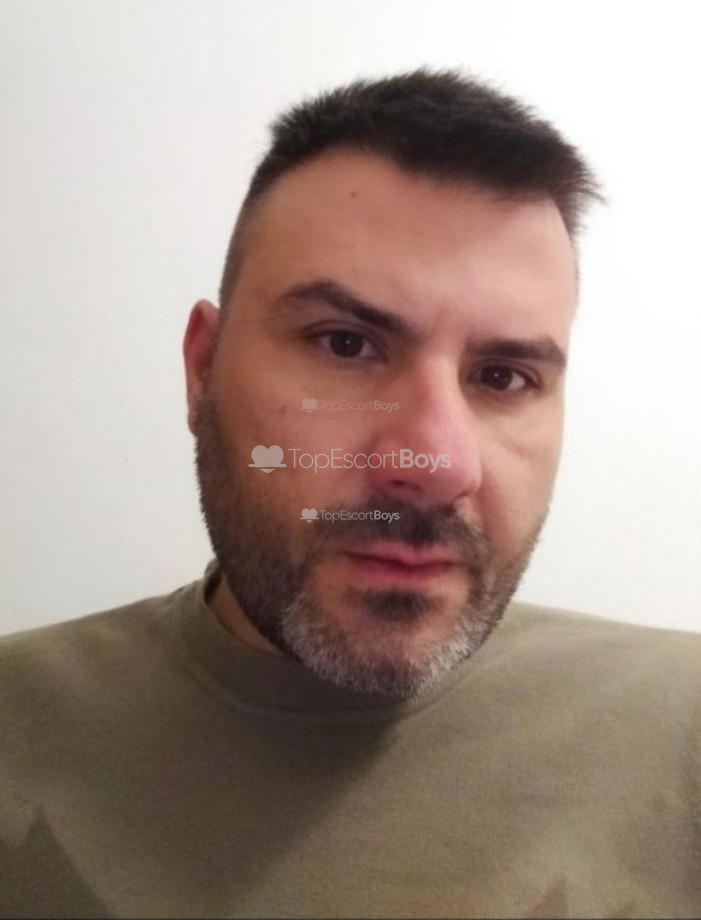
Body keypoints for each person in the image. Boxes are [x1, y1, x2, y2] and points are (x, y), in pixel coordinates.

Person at [1, 68, 699, 920]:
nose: (436, 463)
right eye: (344, 344)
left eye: (502, 376)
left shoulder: (680, 728)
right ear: (202, 369)